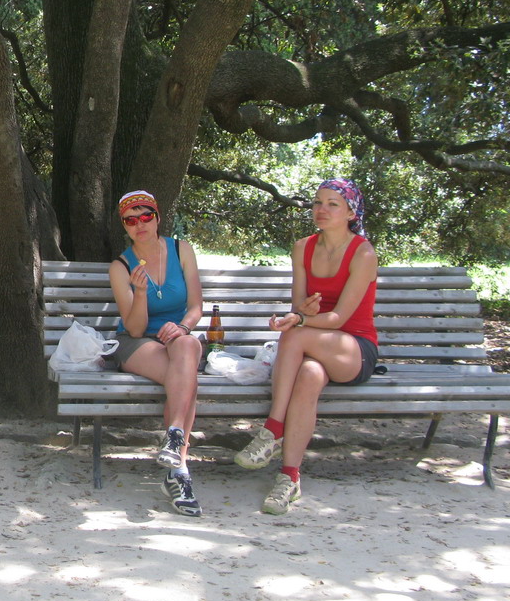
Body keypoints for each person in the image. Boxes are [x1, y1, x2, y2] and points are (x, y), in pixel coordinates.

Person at [235, 178, 379, 516]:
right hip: (315, 343)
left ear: (350, 213)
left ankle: (273, 429)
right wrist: (301, 313)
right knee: (309, 376)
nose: (321, 210)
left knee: (295, 335)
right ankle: (289, 477)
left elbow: (340, 317)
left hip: (354, 348)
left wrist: (300, 320)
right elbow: (298, 307)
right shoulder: (302, 247)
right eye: (317, 202)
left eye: (332, 204)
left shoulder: (363, 253)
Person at [107, 190, 205, 517]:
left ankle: (174, 439)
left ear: (158, 217)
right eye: (130, 220)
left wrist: (183, 327)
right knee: (186, 380)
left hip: (178, 337)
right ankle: (179, 470)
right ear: (124, 226)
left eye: (146, 216)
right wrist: (140, 293)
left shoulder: (181, 250)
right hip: (138, 342)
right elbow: (135, 329)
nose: (140, 225)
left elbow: (196, 306)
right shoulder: (121, 266)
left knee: (188, 347)